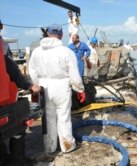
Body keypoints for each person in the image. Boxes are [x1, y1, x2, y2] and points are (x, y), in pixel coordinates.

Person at [29, 24, 85, 157]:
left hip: (44, 86)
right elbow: (74, 74)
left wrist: (36, 86)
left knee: (49, 118)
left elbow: (32, 71)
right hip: (62, 86)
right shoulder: (66, 51)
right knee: (64, 117)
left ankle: (50, 146)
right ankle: (67, 145)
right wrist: (80, 89)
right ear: (61, 35)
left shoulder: (37, 51)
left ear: (47, 34)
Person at [0, 19, 41, 166]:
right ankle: (18, 160)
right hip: (4, 102)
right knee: (17, 127)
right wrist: (30, 86)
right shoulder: (3, 51)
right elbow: (14, 73)